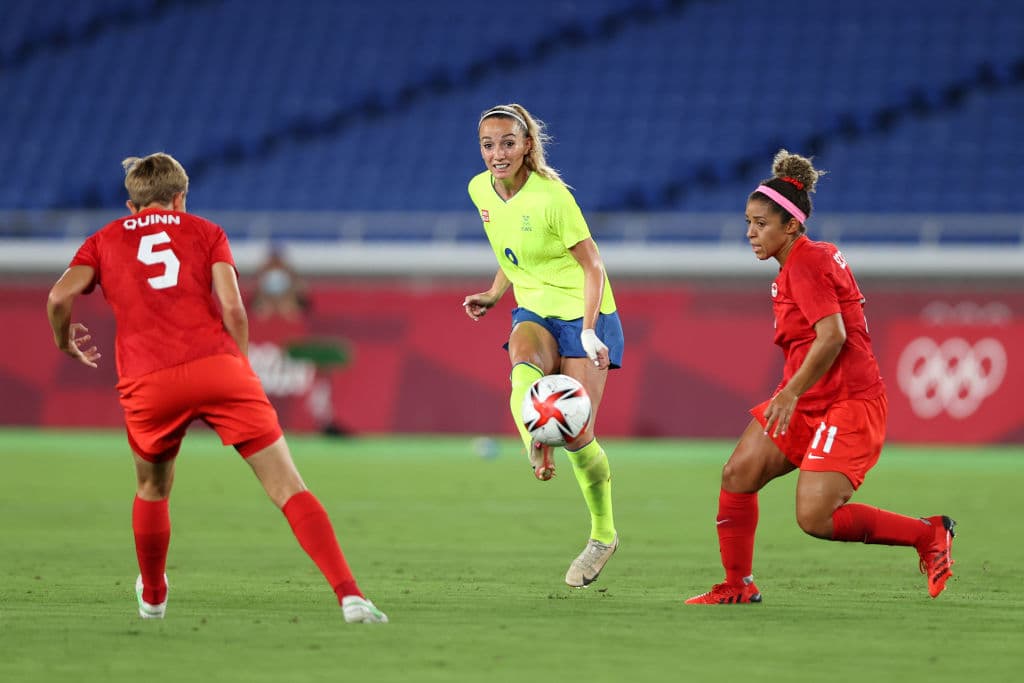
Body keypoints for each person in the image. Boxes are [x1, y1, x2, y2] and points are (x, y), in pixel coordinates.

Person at [46, 153, 387, 623]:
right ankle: (350, 595)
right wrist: (238, 368)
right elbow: (234, 310)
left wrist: (65, 342)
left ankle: (154, 596)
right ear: (181, 197)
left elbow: (59, 296)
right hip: (217, 367)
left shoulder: (103, 239)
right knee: (288, 485)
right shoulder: (206, 231)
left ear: (131, 206)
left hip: (149, 379)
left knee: (152, 488)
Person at [685, 150, 956, 604]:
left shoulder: (806, 263)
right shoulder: (798, 262)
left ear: (791, 225)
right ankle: (737, 585)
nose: (750, 233)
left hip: (846, 402)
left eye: (761, 223)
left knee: (816, 517)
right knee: (738, 474)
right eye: (748, 222)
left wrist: (789, 392)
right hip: (811, 397)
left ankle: (928, 534)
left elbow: (832, 336)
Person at [462, 104, 625, 588]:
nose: (497, 153)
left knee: (578, 436)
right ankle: (534, 442)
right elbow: (507, 249)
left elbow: (593, 267)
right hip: (534, 309)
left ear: (527, 144)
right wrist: (495, 293)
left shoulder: (552, 198)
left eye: (508, 143)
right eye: (488, 144)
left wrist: (592, 330)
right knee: (521, 369)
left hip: (583, 313)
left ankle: (603, 534)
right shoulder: (479, 189)